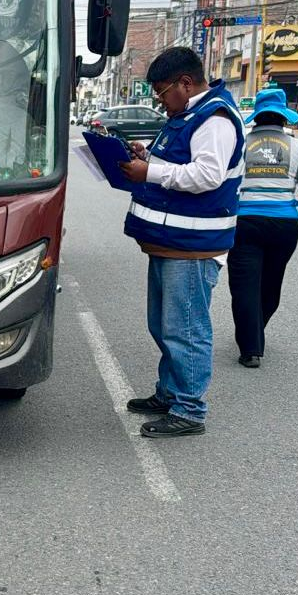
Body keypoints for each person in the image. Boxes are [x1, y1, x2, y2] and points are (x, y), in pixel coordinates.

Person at [118, 47, 245, 438]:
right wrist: (146, 155)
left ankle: (189, 410)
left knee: (185, 328)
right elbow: (177, 161)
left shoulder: (215, 118)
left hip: (193, 245)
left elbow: (207, 175)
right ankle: (170, 393)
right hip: (170, 241)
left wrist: (151, 171)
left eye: (162, 91)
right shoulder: (186, 115)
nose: (159, 100)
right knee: (163, 324)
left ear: (185, 84)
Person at [227, 88, 298, 368]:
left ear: (257, 117)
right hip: (284, 226)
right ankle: (255, 331)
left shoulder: (242, 144)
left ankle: (251, 348)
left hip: (245, 222)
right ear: (284, 118)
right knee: (271, 284)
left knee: (244, 286)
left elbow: (227, 183)